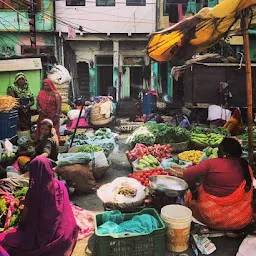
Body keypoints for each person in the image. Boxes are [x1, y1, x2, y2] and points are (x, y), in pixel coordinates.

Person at [0, 156, 78, 256]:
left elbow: (26, 217)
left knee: (6, 240)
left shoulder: (34, 192)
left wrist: (21, 225)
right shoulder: (60, 185)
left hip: (46, 238)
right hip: (66, 232)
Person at [183, 138, 253, 230]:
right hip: (239, 219)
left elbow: (187, 174)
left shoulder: (212, 163)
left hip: (211, 217)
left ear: (226, 154)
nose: (217, 153)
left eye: (219, 150)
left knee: (189, 197)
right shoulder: (246, 168)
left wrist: (194, 190)